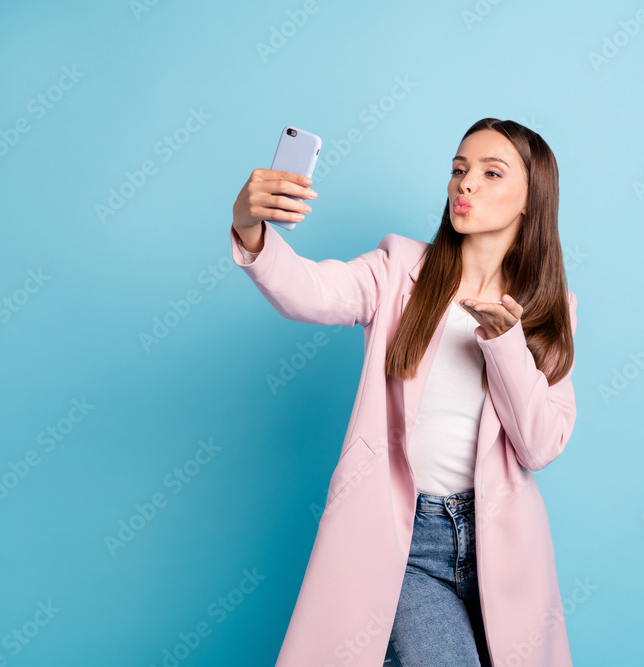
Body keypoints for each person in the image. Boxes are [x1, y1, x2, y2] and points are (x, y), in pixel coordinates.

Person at [230, 118, 577, 666]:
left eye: (491, 173)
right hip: (404, 541)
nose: (466, 184)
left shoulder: (549, 310)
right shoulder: (398, 271)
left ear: (532, 200)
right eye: (459, 170)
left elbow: (541, 445)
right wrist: (250, 227)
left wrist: (507, 343)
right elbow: (311, 293)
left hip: (500, 548)